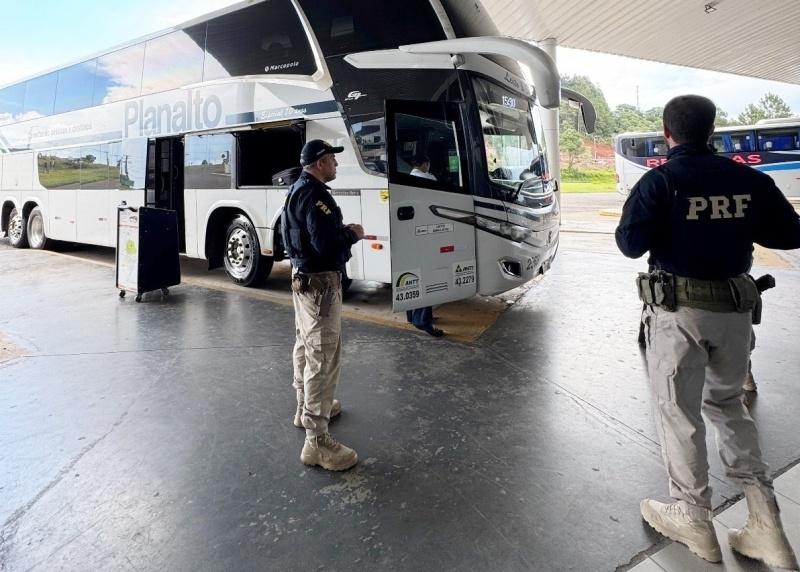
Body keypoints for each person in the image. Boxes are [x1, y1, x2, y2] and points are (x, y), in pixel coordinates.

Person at [616, 95, 800, 568]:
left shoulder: (660, 181)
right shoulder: (750, 180)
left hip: (679, 315)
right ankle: (767, 525)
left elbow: (630, 244)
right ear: (712, 131)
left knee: (678, 412)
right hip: (736, 311)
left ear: (666, 133)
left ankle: (694, 517)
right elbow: (791, 234)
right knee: (728, 405)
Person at [281, 139, 365, 471]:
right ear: (318, 163)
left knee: (306, 345)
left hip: (303, 282)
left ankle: (307, 409)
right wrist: (352, 234)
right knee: (323, 357)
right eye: (331, 160)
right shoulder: (316, 195)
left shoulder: (296, 189)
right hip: (320, 288)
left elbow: (310, 237)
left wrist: (338, 231)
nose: (335, 165)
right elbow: (326, 245)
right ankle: (317, 442)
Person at [407, 154, 444, 337]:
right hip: (428, 232)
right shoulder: (429, 179)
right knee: (428, 278)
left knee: (412, 275)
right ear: (424, 164)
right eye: (427, 163)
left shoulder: (405, 178)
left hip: (409, 234)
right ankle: (423, 319)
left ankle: (411, 315)